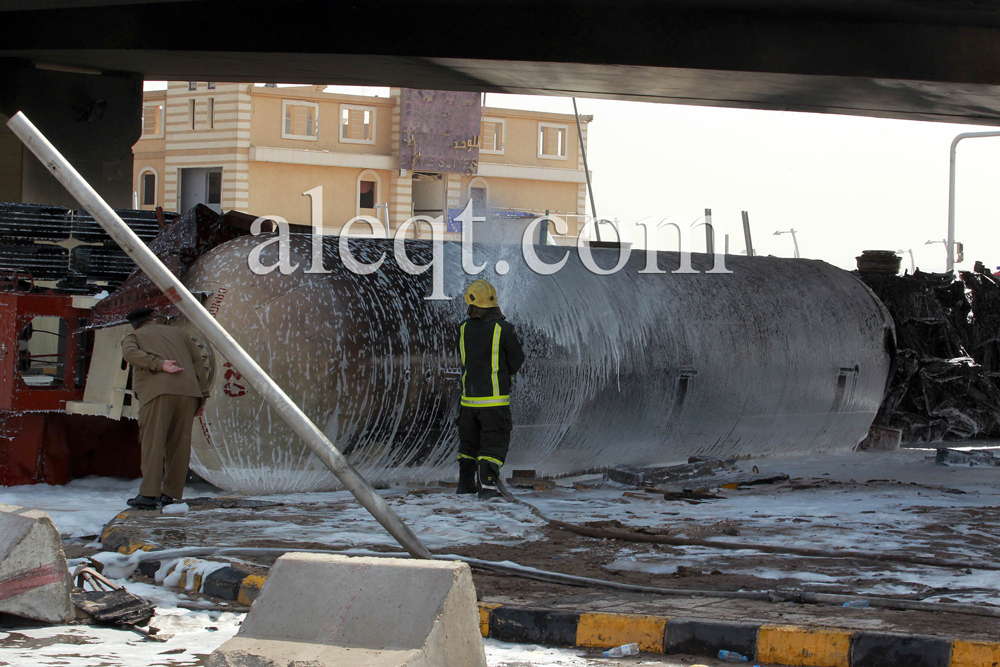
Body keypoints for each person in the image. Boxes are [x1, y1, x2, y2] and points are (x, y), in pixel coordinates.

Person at [121, 307, 210, 509]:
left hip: (158, 392)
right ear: (153, 319)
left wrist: (158, 364)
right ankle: (170, 493)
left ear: (134, 324)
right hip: (189, 393)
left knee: (153, 442)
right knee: (180, 443)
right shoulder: (180, 333)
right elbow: (198, 363)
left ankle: (149, 495)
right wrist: (202, 396)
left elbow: (130, 354)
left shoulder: (134, 336)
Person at [456, 279, 525, 499]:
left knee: (469, 444)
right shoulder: (504, 329)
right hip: (494, 403)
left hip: (468, 402)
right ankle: (486, 487)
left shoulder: (463, 328)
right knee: (493, 443)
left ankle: (465, 484)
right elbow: (516, 359)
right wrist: (507, 375)